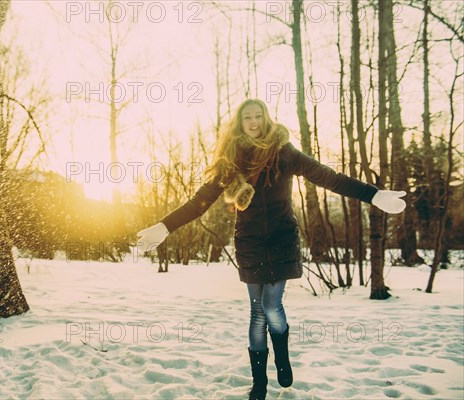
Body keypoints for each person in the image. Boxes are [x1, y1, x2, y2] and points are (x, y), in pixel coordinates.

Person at [136, 98, 406, 400]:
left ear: (266, 119)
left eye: (258, 116)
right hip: (249, 241)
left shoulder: (284, 153)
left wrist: (374, 195)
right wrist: (164, 226)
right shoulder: (230, 161)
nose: (253, 122)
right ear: (239, 123)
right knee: (256, 312)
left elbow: (328, 177)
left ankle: (282, 356)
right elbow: (199, 202)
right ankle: (259, 383)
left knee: (271, 305)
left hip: (282, 238)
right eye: (247, 117)